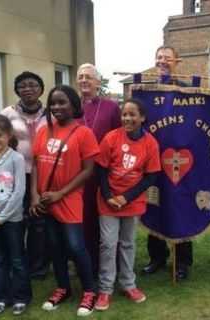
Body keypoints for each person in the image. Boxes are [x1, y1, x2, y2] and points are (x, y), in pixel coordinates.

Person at [30, 85, 99, 316]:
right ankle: (63, 288)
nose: (57, 107)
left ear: (74, 105)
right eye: (53, 103)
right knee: (55, 247)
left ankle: (89, 290)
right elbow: (36, 165)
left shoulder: (83, 133)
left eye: (62, 102)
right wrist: (35, 196)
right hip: (45, 201)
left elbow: (88, 170)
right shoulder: (43, 131)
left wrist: (61, 193)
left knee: (76, 247)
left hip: (69, 200)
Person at [94, 98, 161, 311]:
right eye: (124, 114)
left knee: (128, 243)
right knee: (108, 244)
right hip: (108, 201)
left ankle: (128, 284)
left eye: (132, 114)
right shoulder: (111, 138)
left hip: (131, 202)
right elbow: (101, 170)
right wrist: (108, 196)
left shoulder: (150, 142)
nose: (127, 118)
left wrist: (126, 197)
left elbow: (151, 177)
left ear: (142, 118)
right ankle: (105, 289)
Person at [141, 46, 193, 280]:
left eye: (167, 58)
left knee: (182, 208)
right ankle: (157, 258)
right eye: (159, 57)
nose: (162, 61)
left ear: (177, 61)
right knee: (154, 206)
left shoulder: (188, 92)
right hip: (153, 161)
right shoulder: (146, 92)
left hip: (180, 160)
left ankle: (182, 262)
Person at [1, 71, 48, 279]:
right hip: (14, 176)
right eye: (22, 86)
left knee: (38, 222)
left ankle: (38, 267)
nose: (27, 89)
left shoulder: (51, 113)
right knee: (15, 220)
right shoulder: (7, 114)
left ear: (40, 89)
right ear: (17, 90)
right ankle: (16, 264)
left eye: (32, 85)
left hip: (43, 175)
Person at [76, 63, 121, 277]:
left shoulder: (111, 107)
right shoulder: (72, 107)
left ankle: (112, 265)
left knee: (109, 222)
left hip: (105, 174)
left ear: (98, 82)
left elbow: (120, 138)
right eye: (81, 76)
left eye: (89, 77)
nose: (84, 80)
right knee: (85, 222)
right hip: (79, 175)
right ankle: (88, 264)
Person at [0, 114, 32, 316]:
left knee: (16, 259)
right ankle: (1, 297)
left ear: (8, 135)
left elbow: (18, 193)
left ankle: (21, 297)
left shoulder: (16, 158)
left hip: (12, 220)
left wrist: (1, 217)